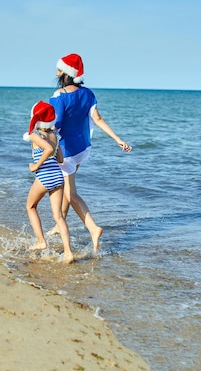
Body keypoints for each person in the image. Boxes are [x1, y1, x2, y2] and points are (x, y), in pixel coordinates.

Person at [48, 53, 132, 252]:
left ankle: (93, 228)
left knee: (70, 193)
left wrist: (43, 142)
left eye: (59, 69)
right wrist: (118, 139)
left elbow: (55, 125)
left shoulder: (59, 97)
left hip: (66, 150)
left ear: (66, 73)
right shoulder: (88, 93)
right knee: (68, 186)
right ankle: (59, 226)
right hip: (82, 148)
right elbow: (99, 119)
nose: (56, 72)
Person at [24, 101, 74, 264]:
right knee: (58, 216)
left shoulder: (34, 134)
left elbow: (47, 150)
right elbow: (59, 158)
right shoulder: (55, 136)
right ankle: (68, 252)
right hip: (58, 176)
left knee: (30, 207)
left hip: (45, 175)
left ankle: (41, 241)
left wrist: (35, 166)